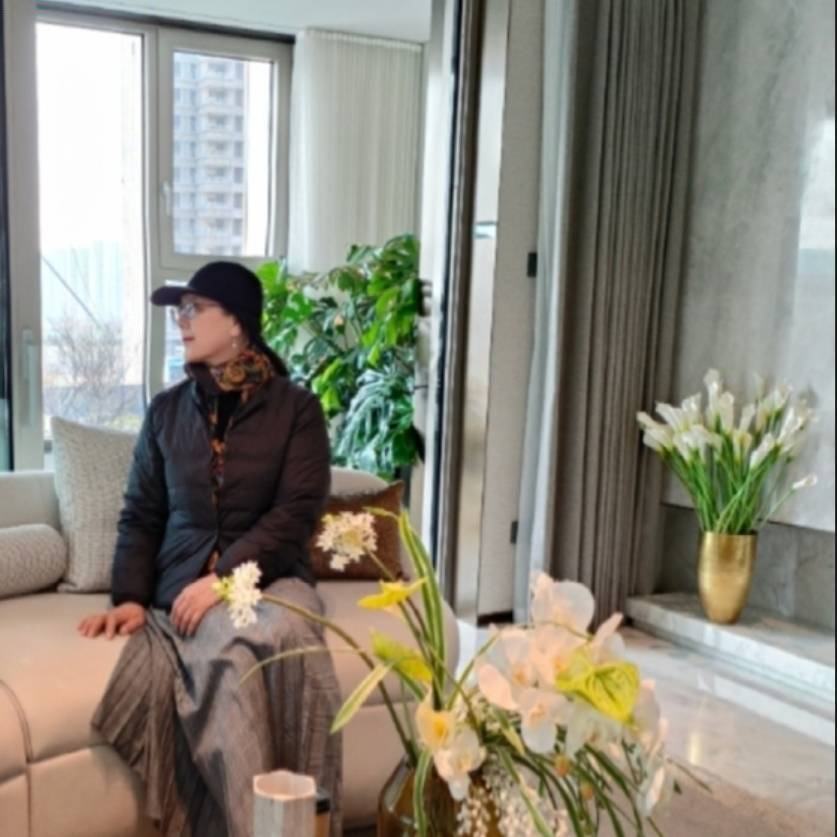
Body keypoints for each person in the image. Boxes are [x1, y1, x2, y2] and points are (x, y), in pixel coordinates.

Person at [77, 261, 342, 837]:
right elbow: (142, 512)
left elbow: (296, 512)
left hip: (273, 577)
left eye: (194, 309)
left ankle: (310, 824)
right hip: (185, 585)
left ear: (238, 323)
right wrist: (131, 596)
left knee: (296, 641)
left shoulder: (297, 410)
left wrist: (226, 578)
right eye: (180, 311)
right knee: (230, 658)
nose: (182, 321)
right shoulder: (167, 411)